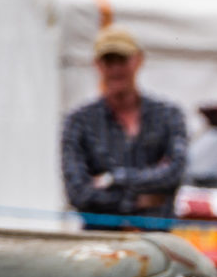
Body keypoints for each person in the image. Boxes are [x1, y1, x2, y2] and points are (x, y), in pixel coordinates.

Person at [60, 25, 187, 227]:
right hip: (101, 239)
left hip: (156, 239)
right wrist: (138, 200)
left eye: (122, 60)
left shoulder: (168, 115)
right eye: (109, 61)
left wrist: (112, 179)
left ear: (138, 60)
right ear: (97, 65)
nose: (116, 69)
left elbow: (175, 173)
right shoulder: (79, 121)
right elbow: (78, 193)